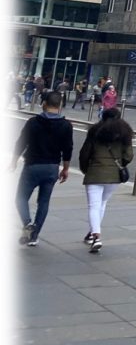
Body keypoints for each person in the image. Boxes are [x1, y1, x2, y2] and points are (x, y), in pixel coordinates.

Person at [12, 90, 73, 247]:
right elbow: (68, 149)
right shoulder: (66, 125)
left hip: (32, 165)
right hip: (52, 167)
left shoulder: (33, 122)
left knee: (20, 198)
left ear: (44, 104)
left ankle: (27, 224)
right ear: (59, 105)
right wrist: (65, 169)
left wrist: (13, 161)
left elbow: (21, 142)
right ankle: (34, 235)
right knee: (44, 202)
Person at [78, 107, 135, 254]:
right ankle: (92, 233)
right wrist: (119, 164)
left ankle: (96, 236)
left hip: (95, 172)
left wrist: (85, 169)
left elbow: (84, 153)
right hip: (114, 175)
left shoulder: (94, 132)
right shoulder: (125, 133)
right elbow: (129, 155)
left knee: (93, 206)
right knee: (102, 203)